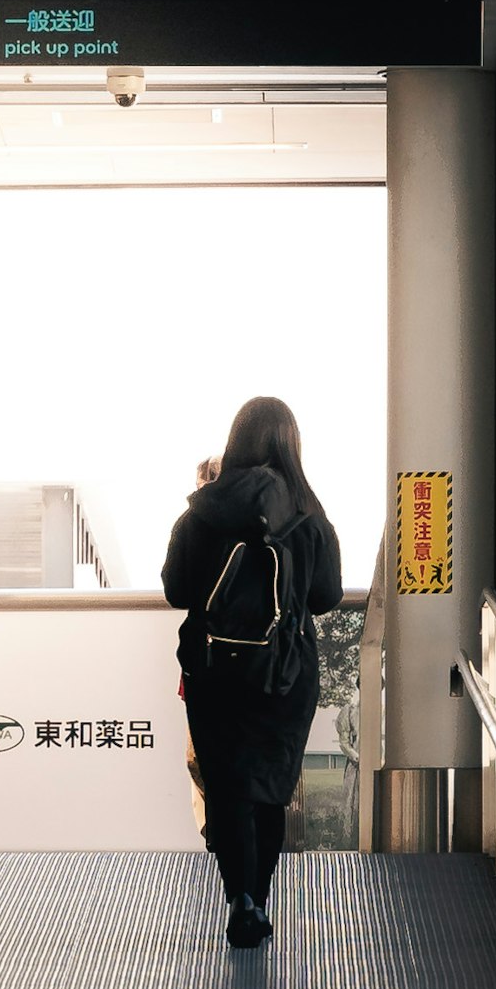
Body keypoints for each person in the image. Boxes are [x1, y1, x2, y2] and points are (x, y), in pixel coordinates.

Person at [164, 393, 342, 947]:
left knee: (226, 785)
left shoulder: (203, 510)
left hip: (214, 667)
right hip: (284, 672)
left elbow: (176, 590)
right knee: (269, 785)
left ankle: (238, 895)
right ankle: (257, 900)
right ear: (291, 445)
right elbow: (327, 595)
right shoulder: (307, 514)